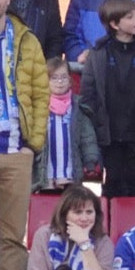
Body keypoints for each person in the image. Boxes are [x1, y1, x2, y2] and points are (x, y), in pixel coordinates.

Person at [0, 0, 47, 270]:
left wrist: (34, 143)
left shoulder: (26, 40)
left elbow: (41, 94)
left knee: (13, 237)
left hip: (15, 151)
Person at [78, 0, 135, 199]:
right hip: (110, 134)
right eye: (130, 16)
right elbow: (88, 93)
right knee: (113, 184)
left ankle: (134, 227)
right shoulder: (98, 53)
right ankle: (110, 227)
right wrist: (96, 124)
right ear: (114, 24)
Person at [36, 55, 96, 193]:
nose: (59, 82)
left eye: (63, 77)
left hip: (71, 173)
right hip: (46, 176)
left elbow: (88, 138)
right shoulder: (38, 107)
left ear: (70, 80)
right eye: (54, 78)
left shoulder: (78, 108)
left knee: (69, 207)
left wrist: (91, 161)